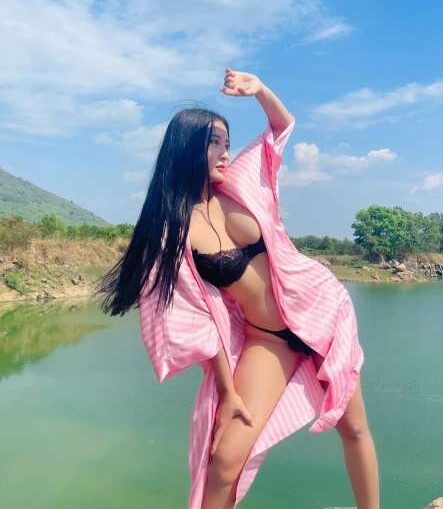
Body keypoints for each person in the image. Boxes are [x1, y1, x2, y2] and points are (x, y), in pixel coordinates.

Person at [95, 67, 380, 509]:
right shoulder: (171, 234)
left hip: (320, 311)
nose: (225, 152)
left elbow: (281, 126)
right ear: (186, 148)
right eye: (215, 143)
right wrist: (228, 392)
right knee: (224, 460)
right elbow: (198, 320)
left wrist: (260, 89)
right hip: (268, 339)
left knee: (354, 427)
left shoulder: (241, 183)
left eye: (227, 143)